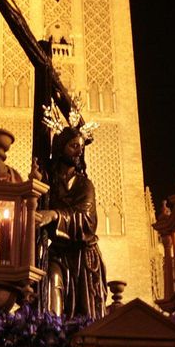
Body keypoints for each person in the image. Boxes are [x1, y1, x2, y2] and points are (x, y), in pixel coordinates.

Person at [34, 110, 107, 319]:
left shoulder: (85, 184)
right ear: (60, 147)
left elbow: (87, 218)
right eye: (74, 146)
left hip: (83, 256)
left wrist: (55, 215)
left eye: (81, 148)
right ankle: (51, 333)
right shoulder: (48, 182)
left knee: (84, 313)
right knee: (51, 282)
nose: (78, 152)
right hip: (57, 252)